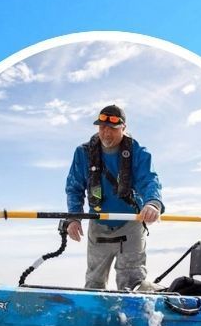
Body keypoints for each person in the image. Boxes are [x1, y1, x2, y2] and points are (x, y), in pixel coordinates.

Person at [64, 105, 164, 290]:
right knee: (93, 284)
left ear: (123, 128)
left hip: (131, 226)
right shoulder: (83, 153)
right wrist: (74, 218)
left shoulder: (138, 152)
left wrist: (153, 203)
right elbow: (74, 187)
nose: (106, 133)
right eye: (102, 127)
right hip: (99, 225)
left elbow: (149, 180)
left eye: (112, 128)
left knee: (132, 285)